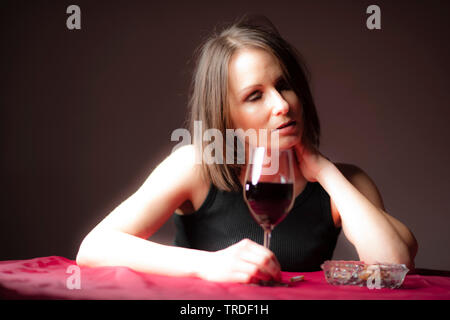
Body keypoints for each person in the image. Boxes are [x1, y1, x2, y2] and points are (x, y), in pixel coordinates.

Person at [76, 16, 418, 284]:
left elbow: (394, 262)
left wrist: (324, 171)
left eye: (284, 86)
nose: (282, 105)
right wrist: (211, 265)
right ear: (226, 117)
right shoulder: (198, 165)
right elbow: (94, 248)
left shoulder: (345, 182)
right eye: (255, 96)